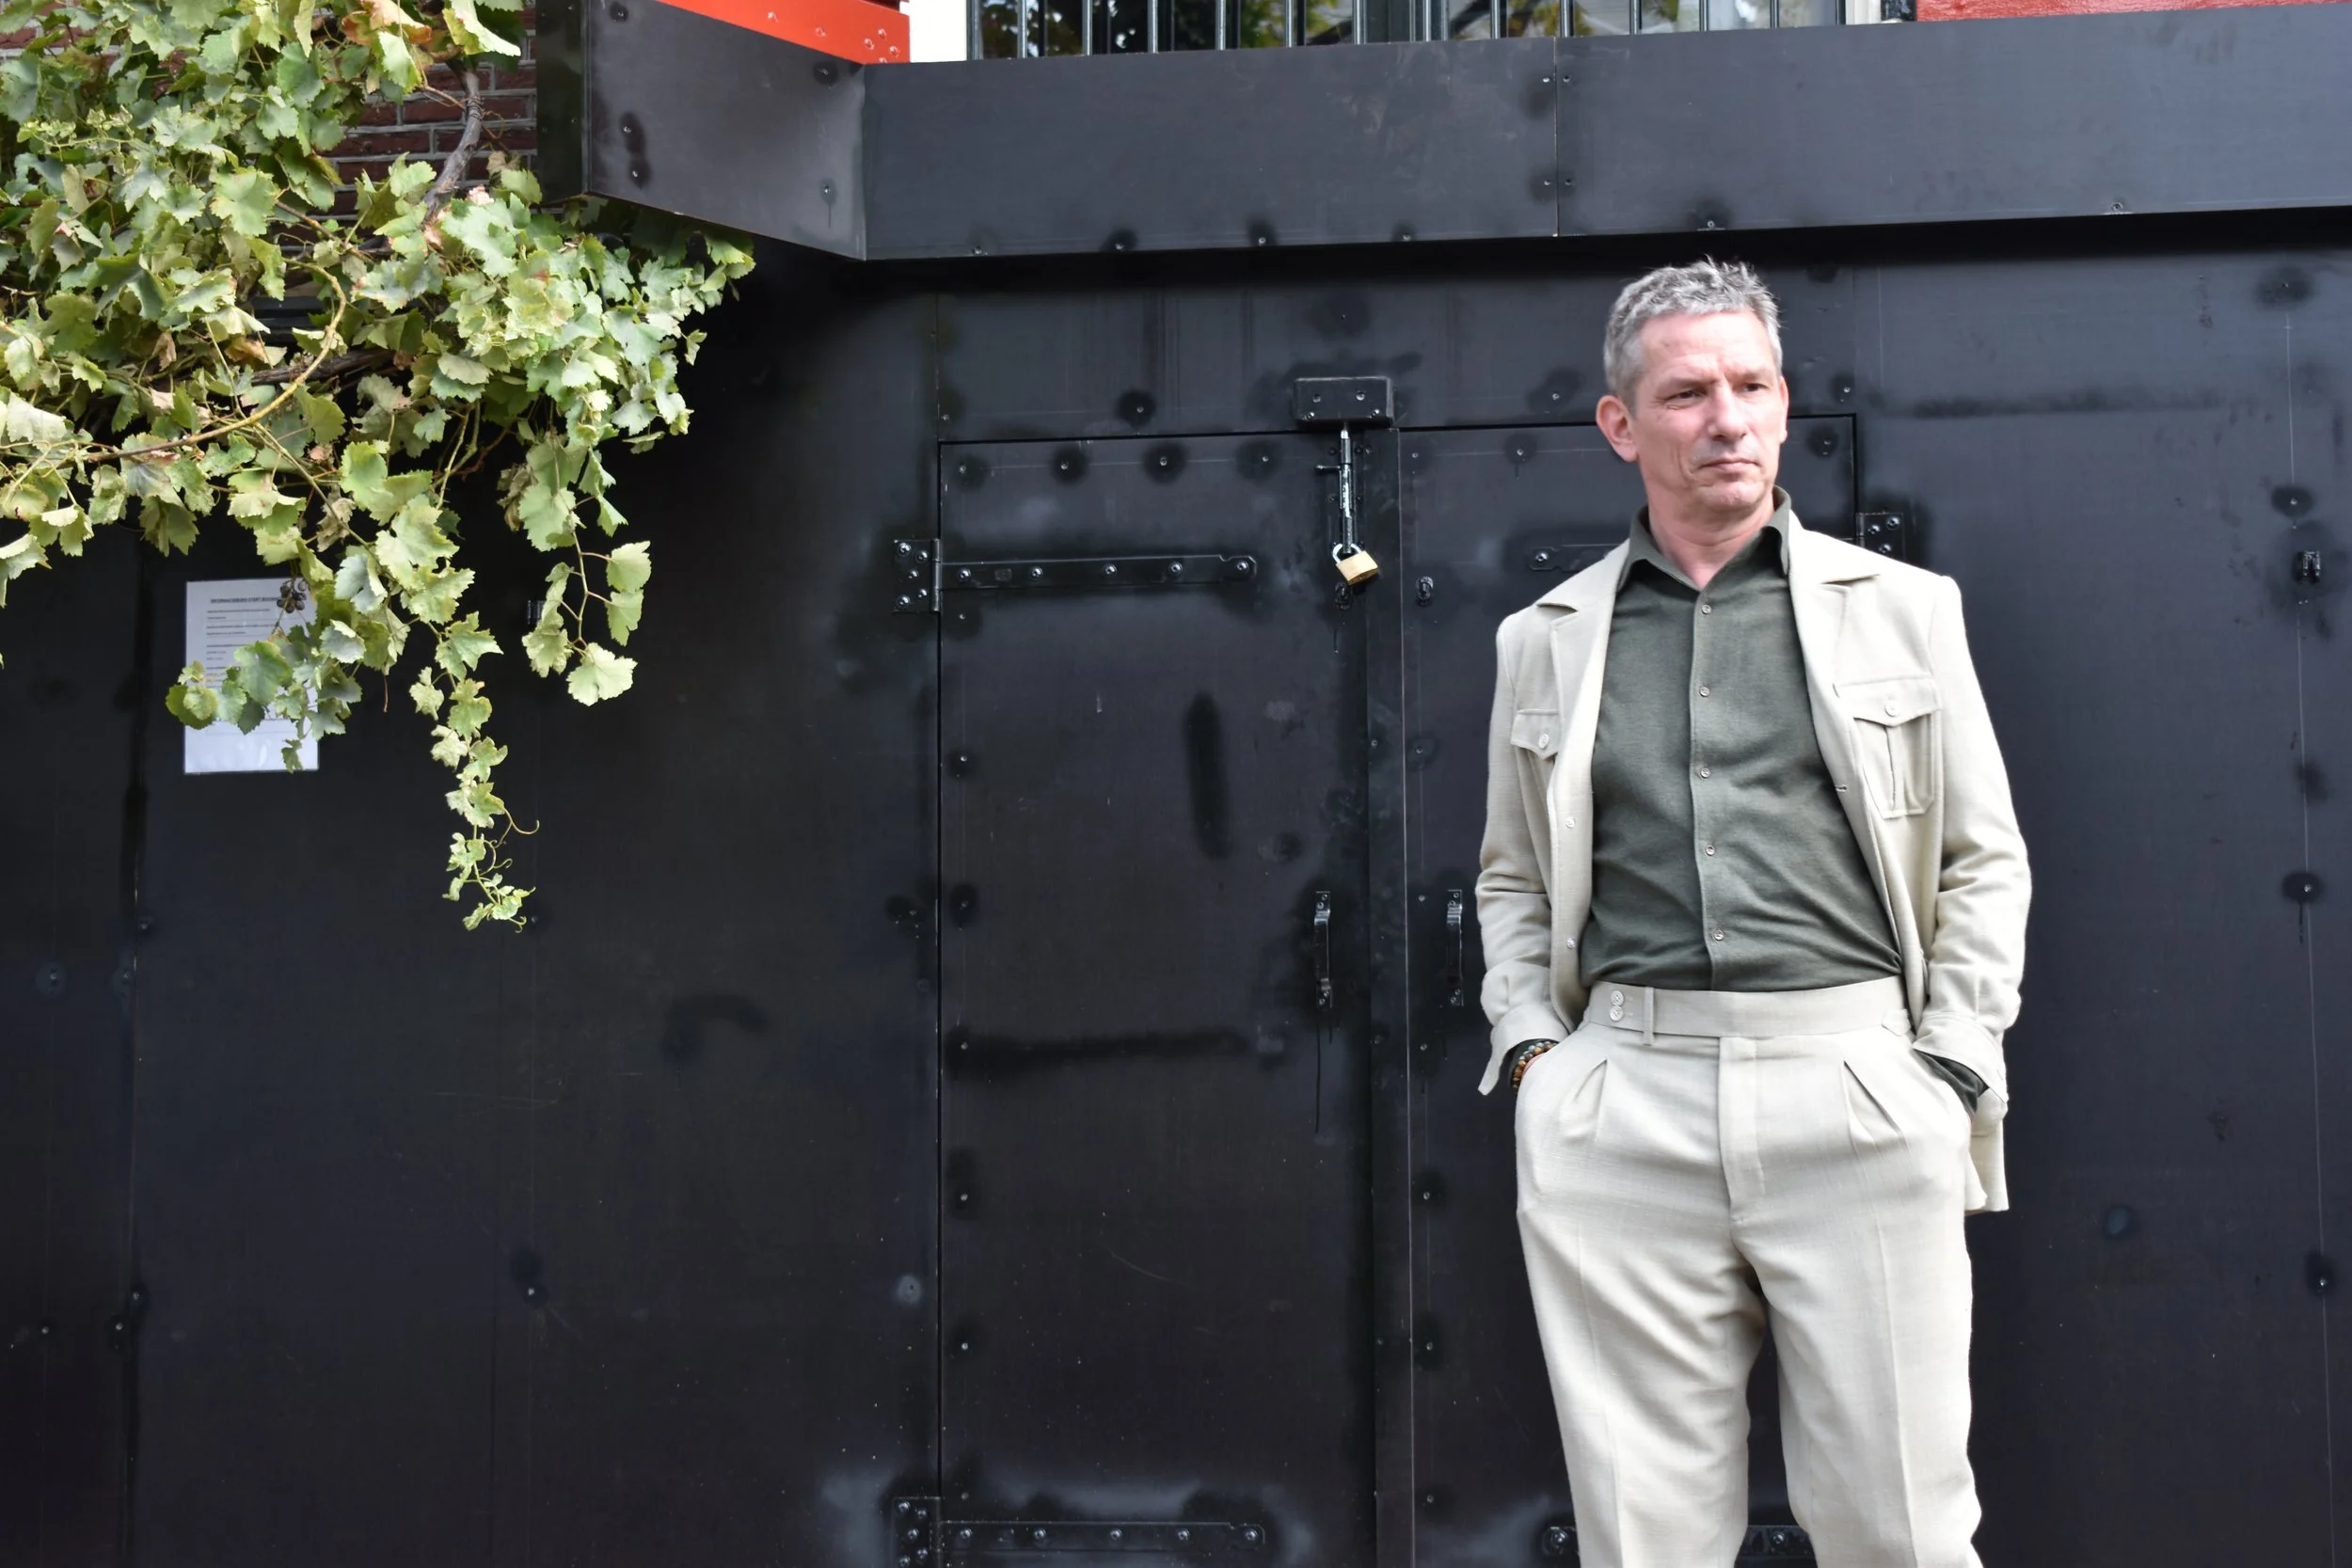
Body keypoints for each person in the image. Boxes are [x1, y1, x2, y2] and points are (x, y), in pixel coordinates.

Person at [1475, 260, 2031, 1568]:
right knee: (1643, 1534)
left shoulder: (1902, 612)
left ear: (1783, 405)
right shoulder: (1542, 639)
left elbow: (1983, 860)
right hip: (1622, 1107)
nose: (1727, 417)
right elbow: (1509, 874)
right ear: (1623, 425)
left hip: (1859, 1092)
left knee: (1898, 1523)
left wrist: (1947, 1066)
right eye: (1686, 392)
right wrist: (1538, 1054)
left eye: (1752, 385)